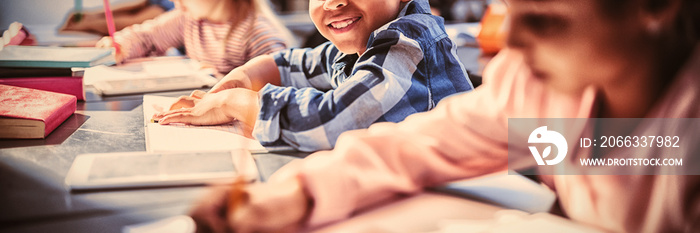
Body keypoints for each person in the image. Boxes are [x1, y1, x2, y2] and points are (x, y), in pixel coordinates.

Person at [188, 0, 700, 232]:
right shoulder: (538, 85)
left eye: (544, 16)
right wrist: (296, 194)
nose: (510, 43)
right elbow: (422, 144)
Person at [153, 0, 474, 151]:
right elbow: (290, 64)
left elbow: (334, 123)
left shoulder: (408, 40)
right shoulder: (358, 43)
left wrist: (236, 102)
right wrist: (242, 77)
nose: (333, 2)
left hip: (472, 202)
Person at [96, 0, 294, 75]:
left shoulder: (258, 35)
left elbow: (279, 86)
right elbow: (147, 37)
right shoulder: (189, 19)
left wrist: (219, 79)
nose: (175, 1)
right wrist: (121, 45)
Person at [59, 0, 175, 36]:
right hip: (162, 5)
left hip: (165, 8)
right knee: (139, 6)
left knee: (139, 17)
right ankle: (88, 19)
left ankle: (86, 23)